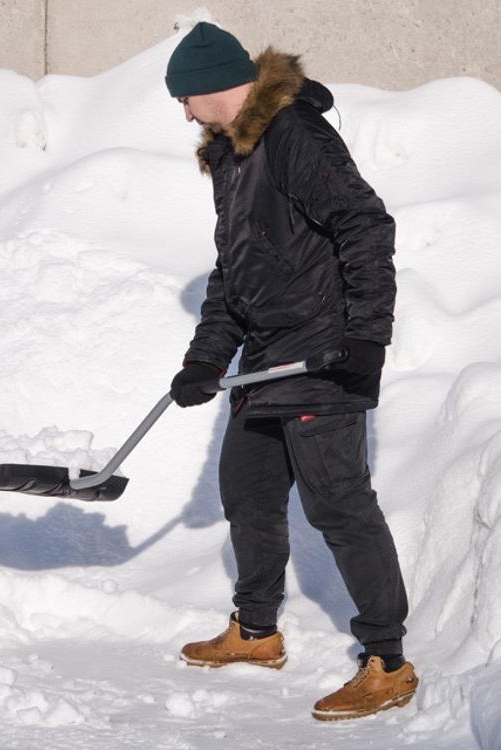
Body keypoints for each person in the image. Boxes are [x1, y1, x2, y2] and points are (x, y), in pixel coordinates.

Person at [164, 22, 418, 721]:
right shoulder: (232, 160)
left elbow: (366, 225)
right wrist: (205, 358)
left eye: (184, 98)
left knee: (338, 505)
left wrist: (368, 334)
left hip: (324, 354)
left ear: (213, 85)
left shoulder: (294, 135)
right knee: (245, 492)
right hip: (266, 361)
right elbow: (235, 272)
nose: (183, 113)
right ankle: (256, 632)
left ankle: (388, 663)